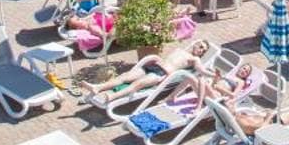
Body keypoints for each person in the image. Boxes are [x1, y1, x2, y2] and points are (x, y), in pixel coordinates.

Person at [84, 40, 214, 108]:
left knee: (137, 84)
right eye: (201, 46)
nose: (201, 50)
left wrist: (213, 75)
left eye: (203, 51)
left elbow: (201, 70)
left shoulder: (195, 59)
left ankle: (112, 97)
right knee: (125, 77)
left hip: (161, 73)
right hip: (154, 66)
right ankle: (97, 88)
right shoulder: (180, 49)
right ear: (196, 44)